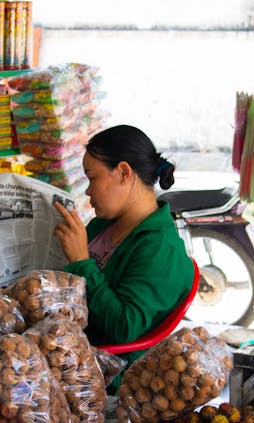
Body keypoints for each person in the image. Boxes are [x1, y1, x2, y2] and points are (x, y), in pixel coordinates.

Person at [53, 124, 194, 370]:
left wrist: (81, 262)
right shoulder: (102, 225)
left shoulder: (161, 248)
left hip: (109, 373)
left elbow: (123, 328)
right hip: (66, 347)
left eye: (92, 177)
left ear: (123, 173)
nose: (87, 190)